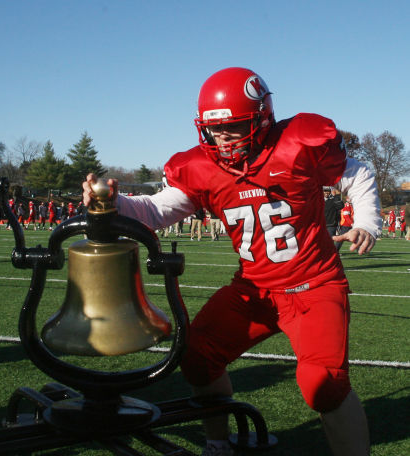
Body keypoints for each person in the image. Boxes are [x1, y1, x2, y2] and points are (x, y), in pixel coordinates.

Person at [82, 67, 381, 456]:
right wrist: (113, 204)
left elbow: (357, 174)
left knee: (323, 383)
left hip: (314, 286)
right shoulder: (203, 168)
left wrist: (367, 222)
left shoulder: (296, 145)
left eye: (233, 127)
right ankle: (217, 443)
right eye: (213, 129)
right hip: (254, 288)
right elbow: (156, 211)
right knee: (197, 354)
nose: (221, 138)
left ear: (261, 118)